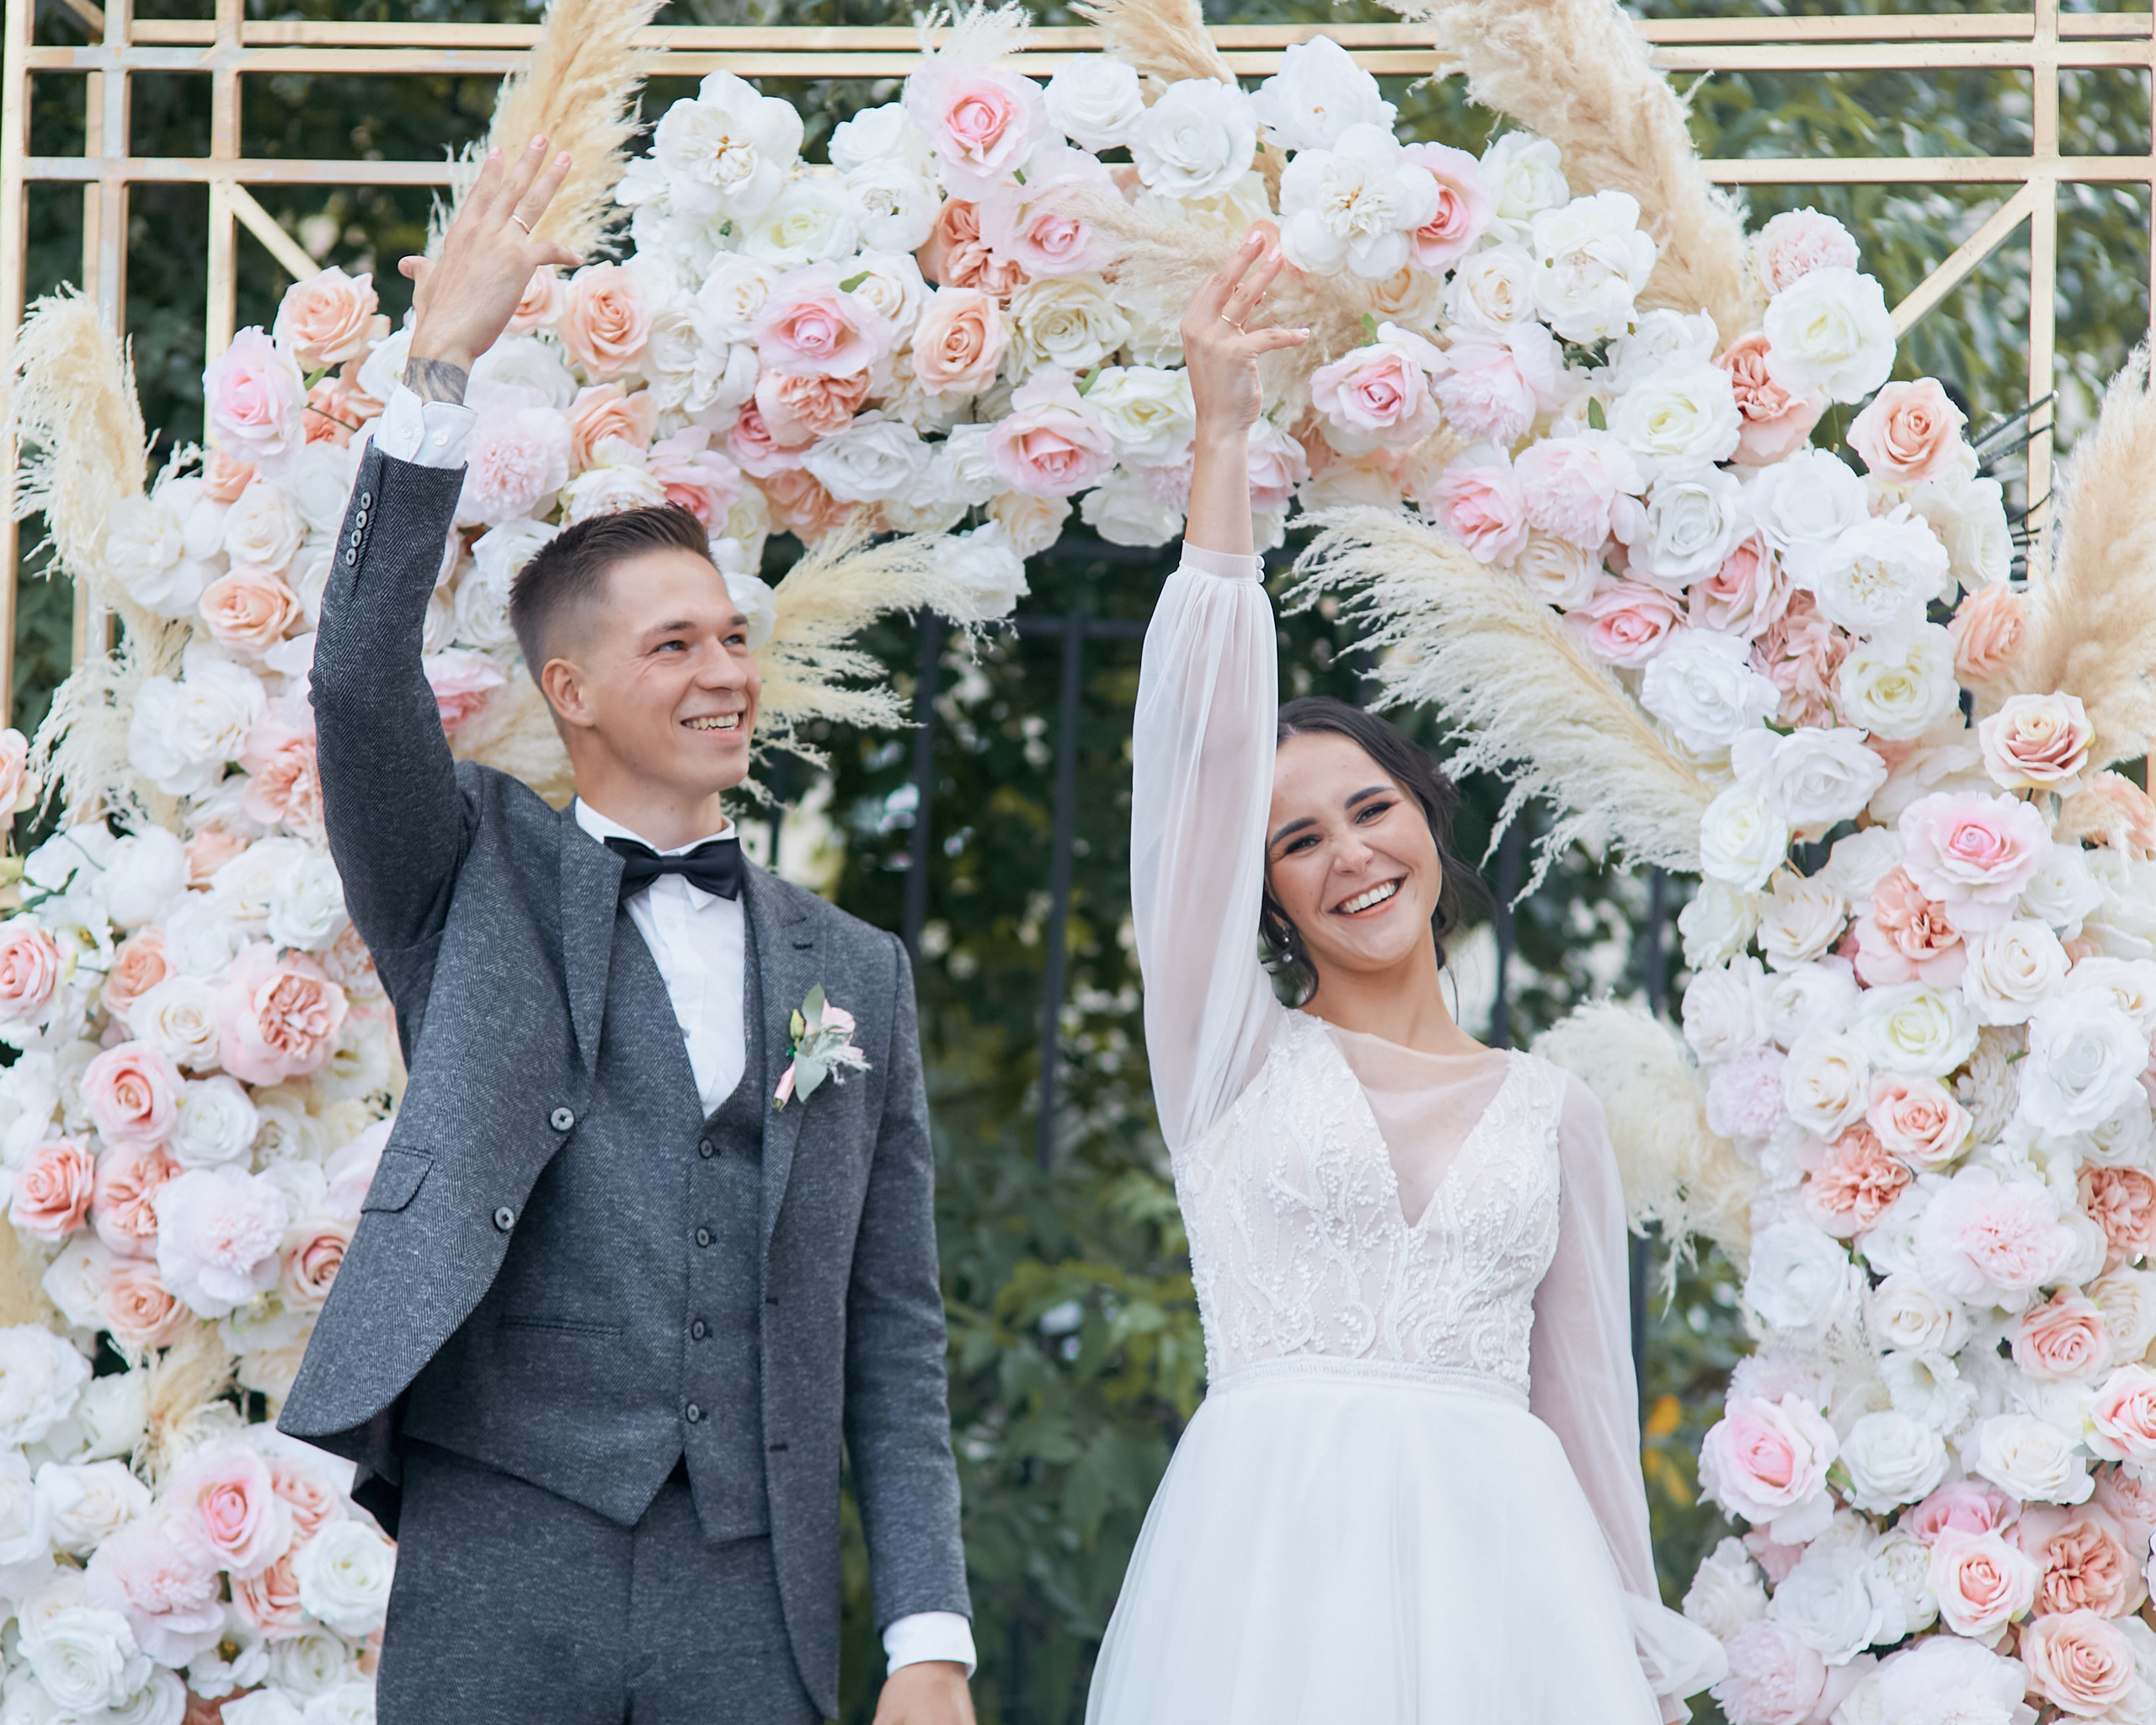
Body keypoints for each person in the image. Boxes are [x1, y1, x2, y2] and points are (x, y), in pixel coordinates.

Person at [275, 136, 977, 1725]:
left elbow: (893, 1330)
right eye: (674, 646)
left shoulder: (856, 976)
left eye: (734, 637)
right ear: (571, 692)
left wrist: (928, 1634)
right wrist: (437, 372)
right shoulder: (464, 883)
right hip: (500, 1549)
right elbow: (355, 683)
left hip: (755, 1580)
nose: (725, 672)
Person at [1086, 235, 1728, 1722]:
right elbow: (1195, 760)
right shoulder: (1229, 1058)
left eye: (1370, 809)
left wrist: (1630, 1659)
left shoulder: (1556, 1113)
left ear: (1428, 823)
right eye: (1295, 841)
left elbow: (1588, 1412)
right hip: (1266, 1590)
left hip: (1508, 1611)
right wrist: (1223, 446)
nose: (1349, 855)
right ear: (1256, 891)